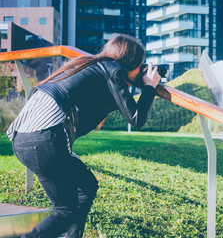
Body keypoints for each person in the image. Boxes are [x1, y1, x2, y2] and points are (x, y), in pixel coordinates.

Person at [7, 34, 161, 238]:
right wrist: (150, 86)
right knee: (65, 211)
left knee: (86, 185)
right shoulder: (113, 71)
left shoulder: (87, 65)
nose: (141, 71)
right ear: (130, 63)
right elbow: (136, 117)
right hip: (44, 140)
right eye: (140, 65)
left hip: (22, 140)